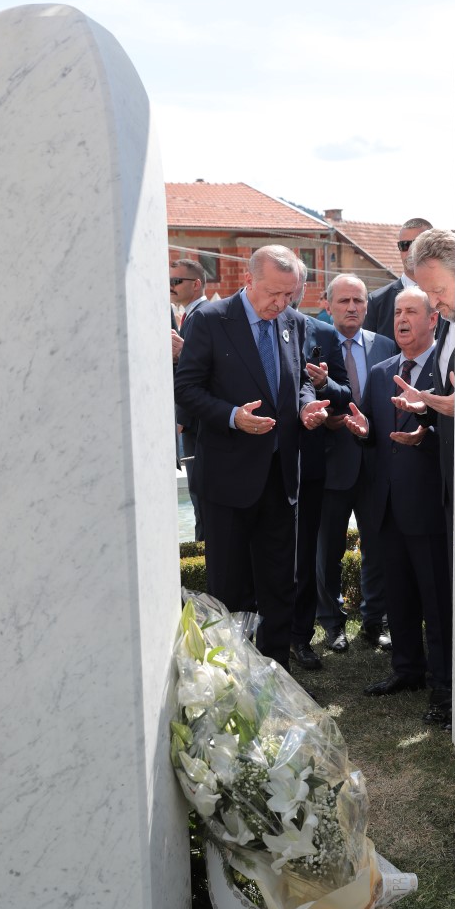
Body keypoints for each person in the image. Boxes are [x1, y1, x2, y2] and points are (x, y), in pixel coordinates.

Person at [174, 245, 328, 669]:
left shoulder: (294, 323)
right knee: (229, 587)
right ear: (248, 280)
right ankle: (230, 676)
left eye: (289, 295)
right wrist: (232, 417)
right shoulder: (210, 319)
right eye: (273, 293)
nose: (281, 304)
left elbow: (300, 381)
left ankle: (275, 676)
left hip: (281, 478)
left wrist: (305, 406)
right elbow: (186, 388)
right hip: (228, 479)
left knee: (280, 585)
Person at [345, 288, 452, 719]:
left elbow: (453, 433)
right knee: (398, 595)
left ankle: (444, 684)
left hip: (428, 505)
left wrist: (427, 434)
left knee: (436, 600)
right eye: (397, 313)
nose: (402, 319)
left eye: (411, 312)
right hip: (385, 505)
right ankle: (407, 669)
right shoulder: (382, 370)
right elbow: (375, 431)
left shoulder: (447, 372)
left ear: (433, 320)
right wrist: (363, 431)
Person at [391, 228, 455, 727]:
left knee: (440, 601)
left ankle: (448, 690)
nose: (435, 303)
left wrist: (433, 412)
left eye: (436, 292)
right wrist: (430, 413)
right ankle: (422, 676)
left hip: (444, 496)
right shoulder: (451, 327)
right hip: (407, 501)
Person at [316, 274, 396, 653]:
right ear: (327, 304)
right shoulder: (313, 344)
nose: (352, 307)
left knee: (377, 548)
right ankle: (332, 624)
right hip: (331, 463)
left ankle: (374, 620)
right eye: (344, 301)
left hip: (376, 463)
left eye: (359, 301)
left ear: (367, 305)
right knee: (328, 550)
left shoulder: (385, 345)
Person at [289, 263, 351, 671]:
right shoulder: (241, 329)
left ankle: (300, 637)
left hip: (309, 464)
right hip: (259, 458)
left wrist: (325, 384)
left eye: (294, 286)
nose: (287, 295)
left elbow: (346, 394)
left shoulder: (323, 334)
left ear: (303, 288)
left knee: (304, 554)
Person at [171, 258, 209, 541]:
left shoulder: (203, 316)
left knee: (203, 502)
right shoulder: (191, 316)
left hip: (198, 424)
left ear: (196, 284)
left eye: (176, 281)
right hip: (194, 422)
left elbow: (201, 372)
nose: (170, 287)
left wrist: (181, 419)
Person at [364, 217, 433, 341]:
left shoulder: (448, 298)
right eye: (404, 245)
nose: (411, 251)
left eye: (417, 244)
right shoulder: (377, 301)